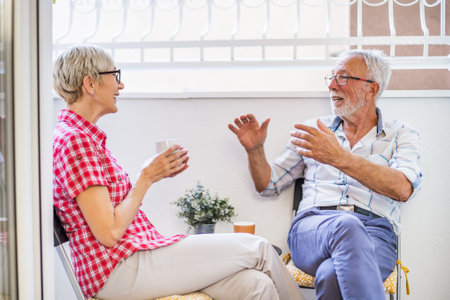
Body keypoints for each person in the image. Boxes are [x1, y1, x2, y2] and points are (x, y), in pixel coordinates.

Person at [53, 44, 305, 300]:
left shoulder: (83, 138)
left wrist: (153, 175)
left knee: (256, 285)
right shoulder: (76, 141)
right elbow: (109, 233)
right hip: (117, 268)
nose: (120, 86)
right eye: (114, 76)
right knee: (259, 248)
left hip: (135, 256)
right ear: (90, 84)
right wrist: (147, 177)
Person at [229, 49, 422, 300]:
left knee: (331, 274)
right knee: (346, 224)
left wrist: (339, 158)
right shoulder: (312, 130)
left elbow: (403, 188)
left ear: (371, 89)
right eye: (331, 77)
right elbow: (268, 184)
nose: (332, 85)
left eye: (343, 78)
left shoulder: (401, 134)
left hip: (375, 233)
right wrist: (255, 151)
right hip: (313, 229)